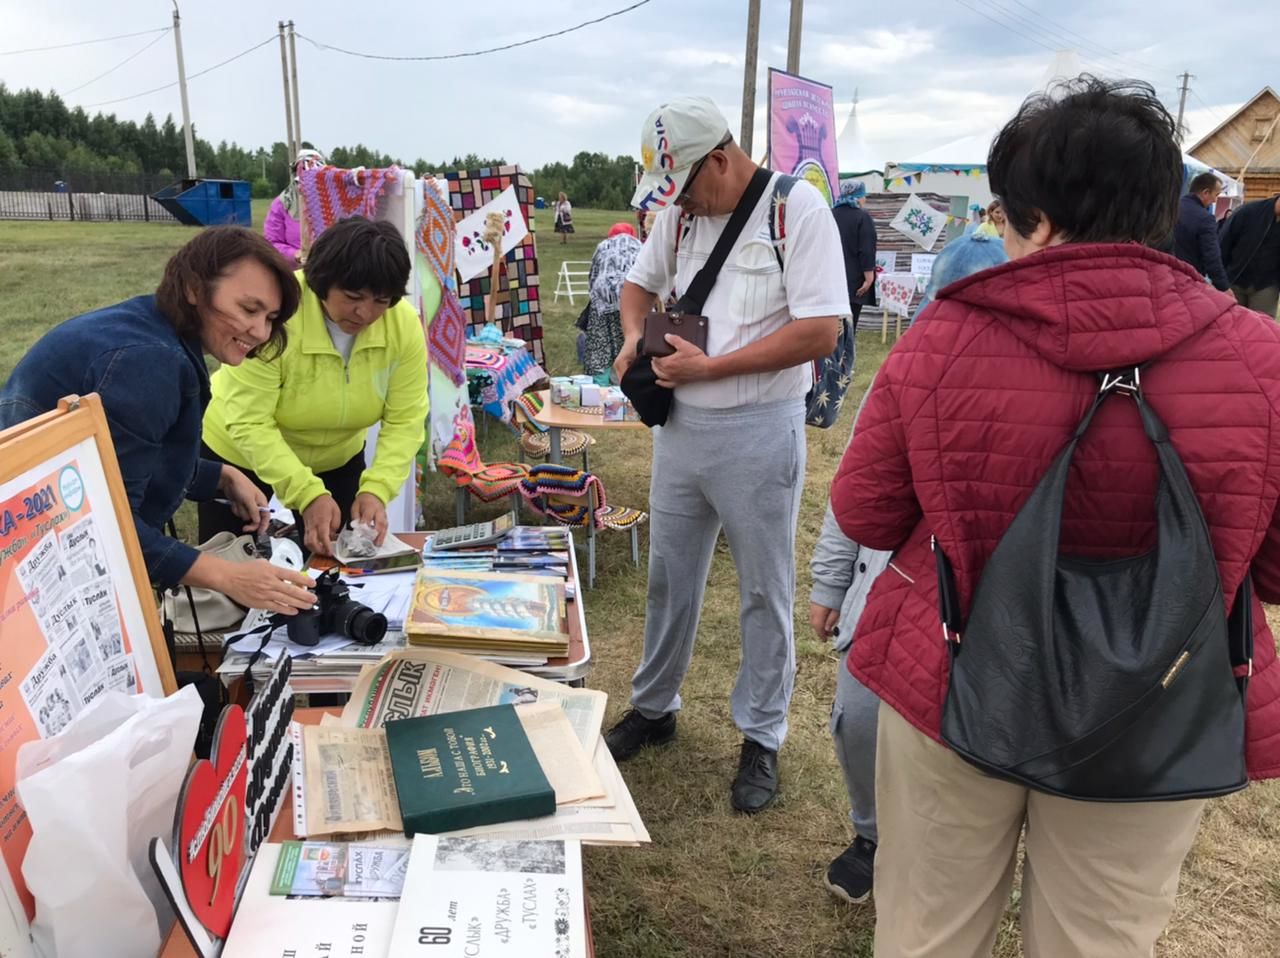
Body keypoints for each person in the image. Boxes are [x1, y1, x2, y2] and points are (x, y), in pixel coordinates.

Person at [830, 76, 1280, 957]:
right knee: (1101, 941)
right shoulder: (1259, 356)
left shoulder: (944, 337)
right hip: (1154, 707)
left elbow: (868, 512)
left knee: (926, 928)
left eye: (1003, 216)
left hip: (957, 675)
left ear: (1036, 218)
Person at [604, 95, 847, 814]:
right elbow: (637, 285)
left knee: (765, 592)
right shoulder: (677, 212)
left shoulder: (795, 211)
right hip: (682, 431)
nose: (680, 206)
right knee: (668, 579)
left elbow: (821, 331)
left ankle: (762, 735)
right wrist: (629, 335)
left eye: (687, 187)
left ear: (720, 157)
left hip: (759, 429)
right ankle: (654, 707)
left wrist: (714, 368)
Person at [0, 228, 315, 616]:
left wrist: (218, 476)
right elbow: (110, 526)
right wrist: (228, 576)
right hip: (31, 563)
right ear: (194, 289)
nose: (261, 331)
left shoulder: (152, 327)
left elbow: (119, 462)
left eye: (270, 318)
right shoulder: (150, 362)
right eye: (249, 309)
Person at [200, 216, 428, 558]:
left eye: (382, 301)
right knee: (228, 567)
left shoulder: (403, 326)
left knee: (338, 562)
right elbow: (250, 421)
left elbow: (406, 419)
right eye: (353, 296)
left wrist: (377, 489)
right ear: (322, 282)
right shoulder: (277, 313)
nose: (365, 313)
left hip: (338, 456)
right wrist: (307, 493)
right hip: (238, 453)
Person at [576, 223, 642, 377]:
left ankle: (599, 383)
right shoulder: (640, 245)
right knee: (631, 343)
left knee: (601, 345)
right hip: (633, 298)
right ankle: (627, 380)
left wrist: (595, 298)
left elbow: (593, 274)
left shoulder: (604, 245)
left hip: (603, 297)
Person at [1220, 192, 1280, 318]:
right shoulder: (1248, 212)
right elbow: (1223, 243)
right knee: (1231, 323)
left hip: (1267, 284)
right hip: (1235, 278)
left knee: (1262, 327)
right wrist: (1221, 278)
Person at [1173, 171, 1233, 295]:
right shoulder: (1205, 218)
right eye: (1216, 195)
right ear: (1205, 193)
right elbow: (1211, 256)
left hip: (1161, 274)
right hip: (1187, 280)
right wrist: (1224, 287)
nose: (1215, 200)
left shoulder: (1170, 208)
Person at [263, 149, 327, 266]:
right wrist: (295, 254)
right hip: (294, 273)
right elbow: (271, 242)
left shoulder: (331, 204)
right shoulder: (282, 204)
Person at [832, 180, 876, 332]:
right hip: (853, 280)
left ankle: (831, 355)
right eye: (864, 196)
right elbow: (866, 249)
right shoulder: (862, 217)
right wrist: (869, 277)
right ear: (858, 197)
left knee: (832, 325)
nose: (865, 200)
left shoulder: (830, 214)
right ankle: (846, 354)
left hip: (830, 278)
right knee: (849, 325)